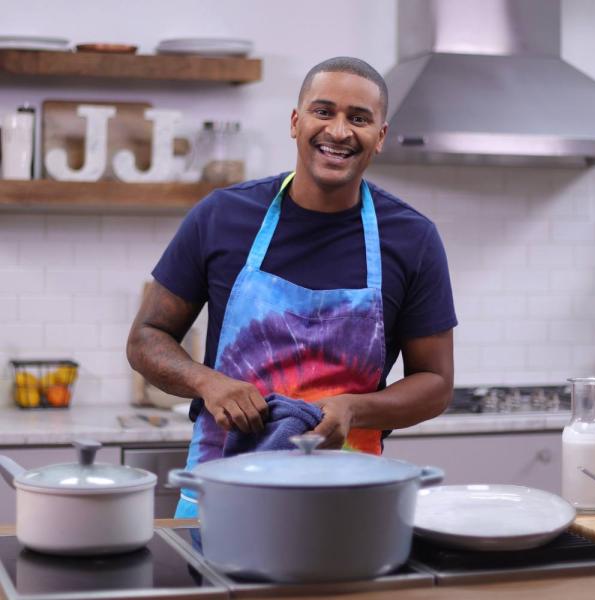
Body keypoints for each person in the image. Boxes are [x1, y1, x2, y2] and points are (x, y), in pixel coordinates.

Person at [127, 56, 457, 518]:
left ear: (380, 137)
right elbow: (146, 337)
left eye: (358, 118)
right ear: (296, 121)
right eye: (324, 111)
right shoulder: (222, 216)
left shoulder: (412, 238)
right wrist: (209, 383)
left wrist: (355, 410)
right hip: (222, 498)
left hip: (352, 503)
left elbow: (436, 384)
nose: (339, 131)